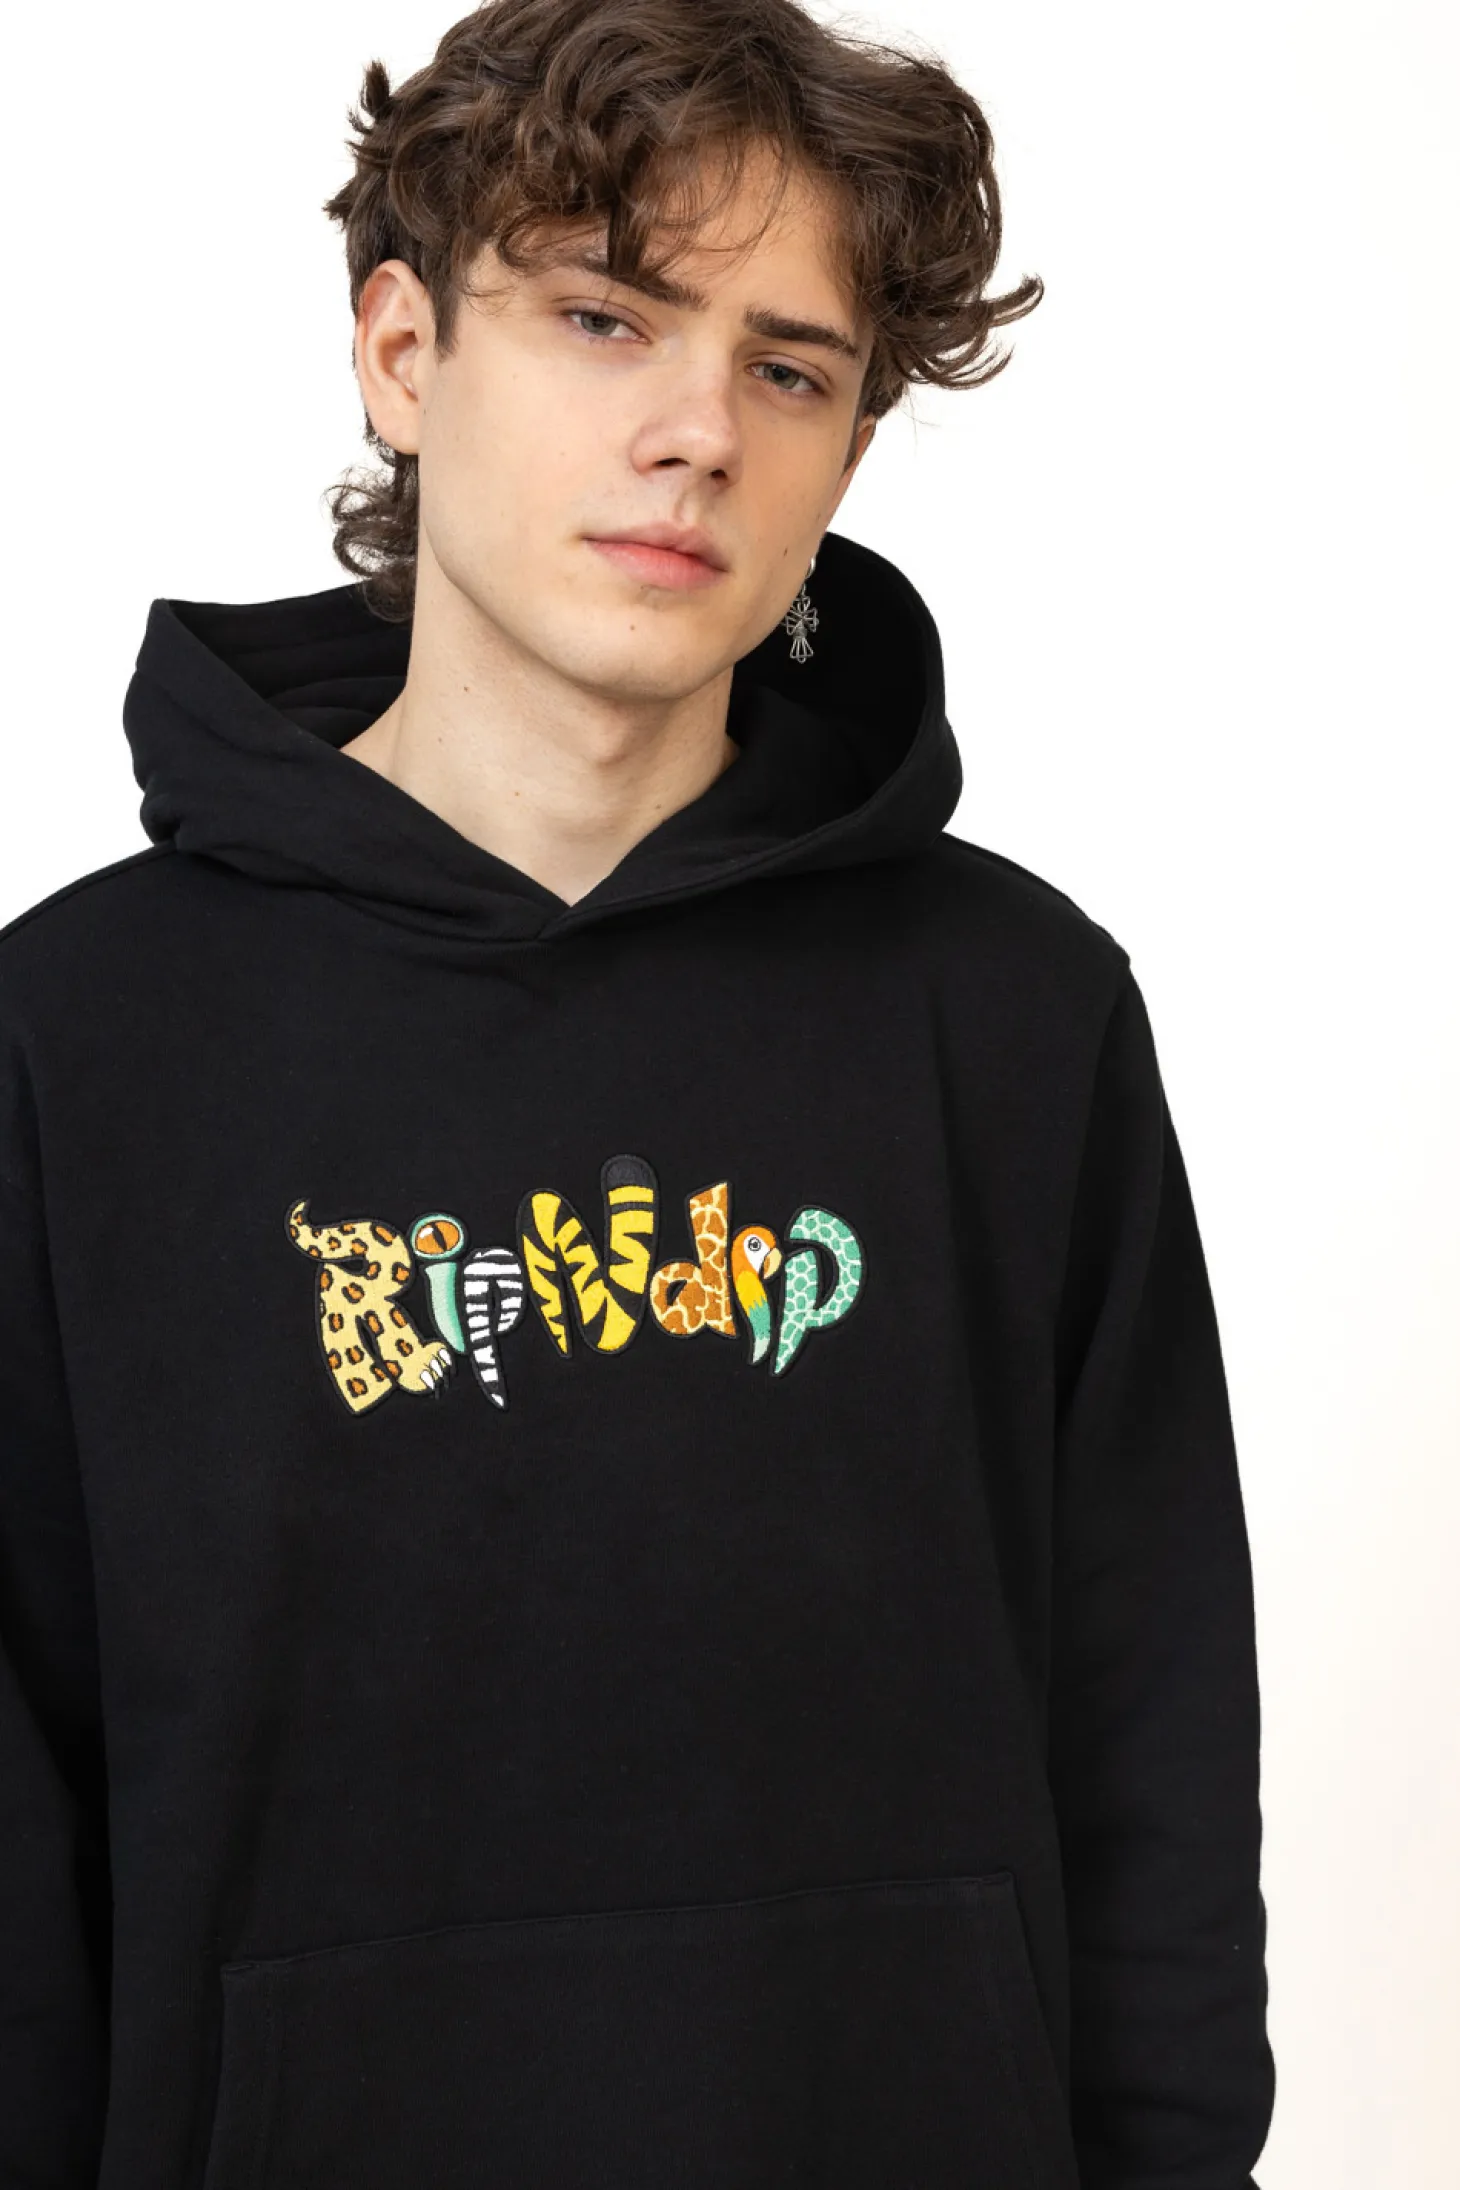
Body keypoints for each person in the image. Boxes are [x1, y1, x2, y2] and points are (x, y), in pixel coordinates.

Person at [0, 0, 1276, 2183]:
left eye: (789, 370)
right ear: (404, 354)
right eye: (605, 318)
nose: (697, 433)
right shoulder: (71, 1041)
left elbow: (1151, 1746)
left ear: (845, 453)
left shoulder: (1015, 1015)